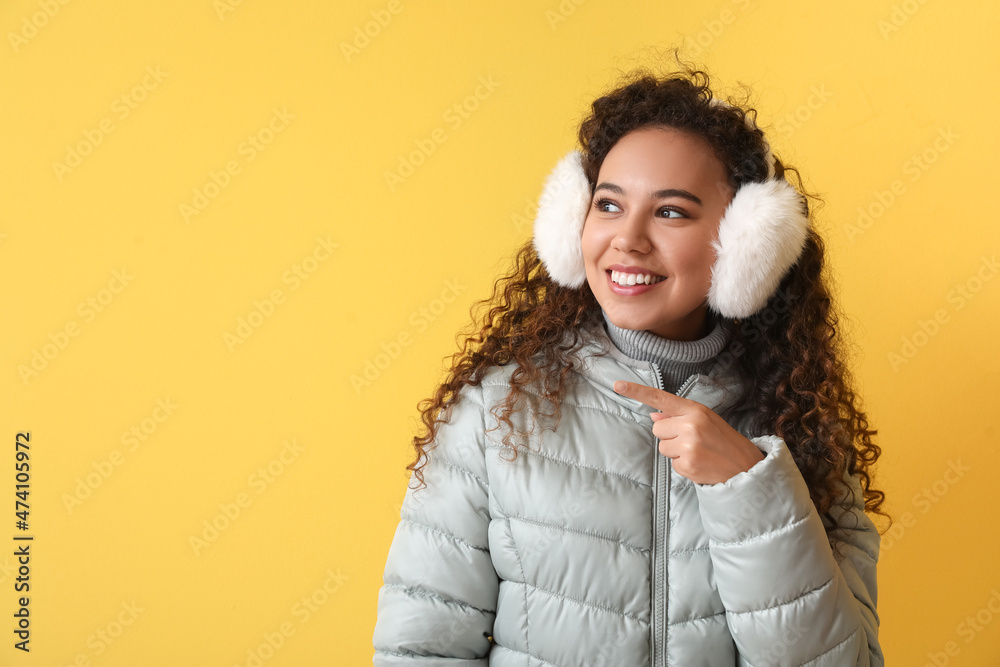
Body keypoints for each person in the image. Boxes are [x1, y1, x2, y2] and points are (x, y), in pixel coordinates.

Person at [372, 57, 889, 666]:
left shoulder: (801, 427)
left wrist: (751, 489)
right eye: (609, 205)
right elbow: (420, 648)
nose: (628, 238)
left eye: (672, 211)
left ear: (749, 243)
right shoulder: (495, 413)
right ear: (573, 223)